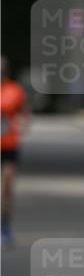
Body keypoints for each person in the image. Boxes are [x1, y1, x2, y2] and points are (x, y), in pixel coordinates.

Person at [1, 56, 30, 245]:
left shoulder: (14, 90)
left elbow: (24, 113)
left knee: (7, 186)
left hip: (9, 145)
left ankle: (5, 226)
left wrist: (22, 126)